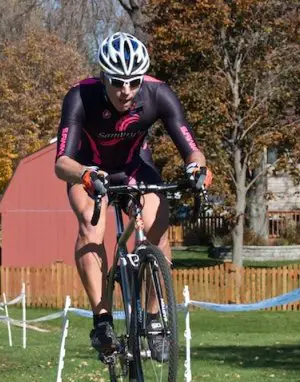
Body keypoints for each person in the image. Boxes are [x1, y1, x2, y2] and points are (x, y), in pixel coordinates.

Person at [54, 32, 212, 360]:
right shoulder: (80, 97)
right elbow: (61, 163)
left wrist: (196, 170)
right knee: (89, 225)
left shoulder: (158, 94)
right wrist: (84, 174)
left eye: (134, 82)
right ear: (103, 77)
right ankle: (102, 320)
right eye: (117, 82)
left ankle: (154, 319)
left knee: (157, 228)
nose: (126, 91)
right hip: (88, 171)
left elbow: (193, 151)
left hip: (134, 168)